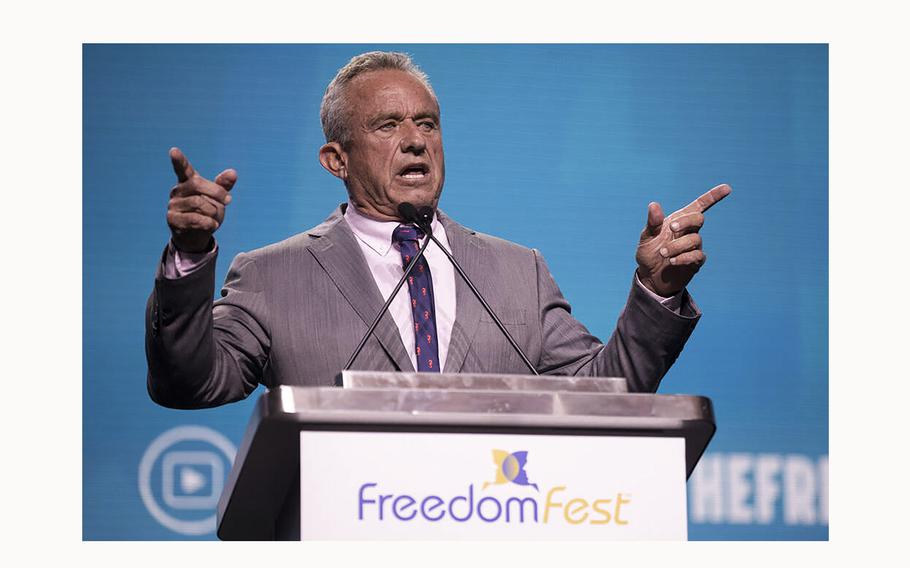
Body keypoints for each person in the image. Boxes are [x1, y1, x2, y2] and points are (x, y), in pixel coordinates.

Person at [146, 51, 730, 409]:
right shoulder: (274, 275)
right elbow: (189, 383)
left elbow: (608, 395)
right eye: (387, 125)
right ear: (336, 159)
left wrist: (656, 292)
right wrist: (191, 256)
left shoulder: (516, 271)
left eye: (427, 123)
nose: (415, 140)